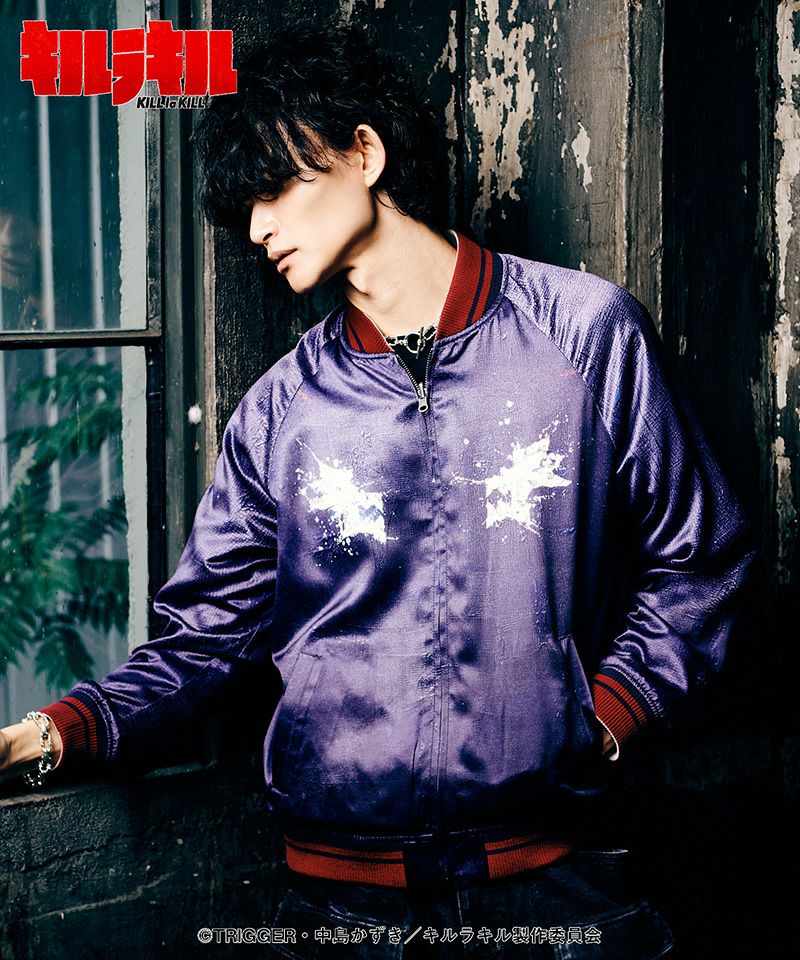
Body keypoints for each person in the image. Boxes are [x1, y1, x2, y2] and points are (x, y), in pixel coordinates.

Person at [0, 20, 755, 959]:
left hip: (559, 892)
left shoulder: (585, 337)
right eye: (244, 206)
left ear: (364, 153)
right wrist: (42, 736)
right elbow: (202, 641)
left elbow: (702, 562)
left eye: (275, 188)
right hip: (341, 912)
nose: (256, 228)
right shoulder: (281, 412)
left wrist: (608, 716)